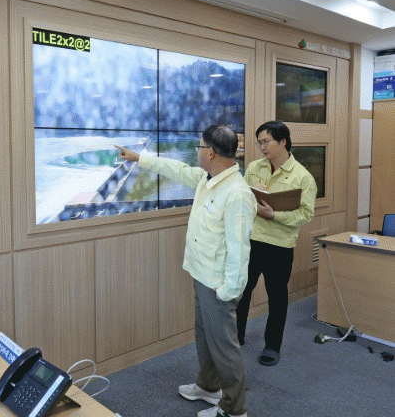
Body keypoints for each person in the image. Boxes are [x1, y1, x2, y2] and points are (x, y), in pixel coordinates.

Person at [116, 124, 255, 417]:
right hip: (202, 276)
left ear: (211, 152)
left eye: (200, 147)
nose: (197, 152)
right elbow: (177, 170)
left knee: (225, 348)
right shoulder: (208, 179)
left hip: (218, 286)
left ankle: (234, 409)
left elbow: (239, 249)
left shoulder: (237, 193)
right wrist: (140, 158)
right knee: (204, 338)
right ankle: (208, 387)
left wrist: (228, 291)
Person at [236, 120, 317, 366]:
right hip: (251, 240)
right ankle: (235, 336)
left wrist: (274, 215)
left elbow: (305, 215)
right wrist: (252, 196)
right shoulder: (254, 168)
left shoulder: (303, 177)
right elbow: (241, 199)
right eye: (259, 142)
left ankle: (272, 346)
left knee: (277, 297)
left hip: (280, 245)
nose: (262, 147)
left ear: (283, 141)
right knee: (241, 291)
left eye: (266, 142)